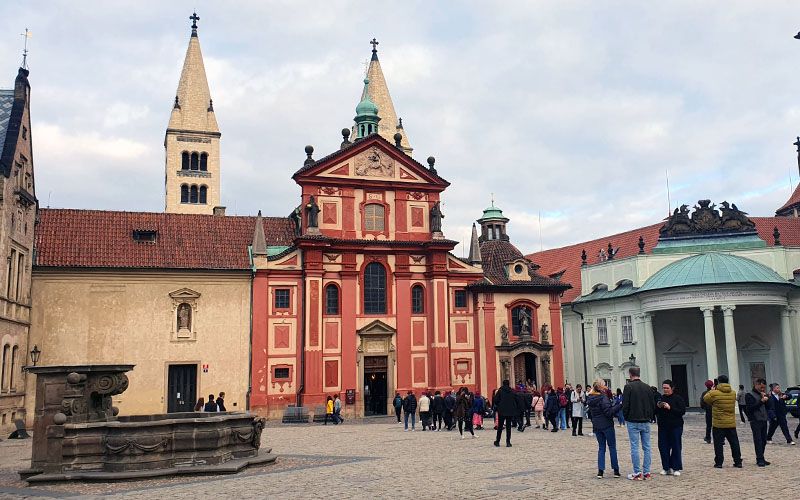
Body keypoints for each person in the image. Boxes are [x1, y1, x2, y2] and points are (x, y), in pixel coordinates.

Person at [622, 366, 655, 480]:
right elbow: (652, 404)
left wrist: (626, 416)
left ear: (630, 375)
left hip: (633, 420)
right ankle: (647, 472)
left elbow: (625, 404)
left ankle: (637, 472)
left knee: (634, 447)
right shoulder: (647, 387)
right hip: (646, 420)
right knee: (647, 447)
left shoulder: (628, 387)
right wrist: (650, 416)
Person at [703, 374, 742, 469]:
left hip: (718, 423)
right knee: (734, 443)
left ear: (718, 382)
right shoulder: (732, 393)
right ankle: (738, 461)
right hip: (730, 422)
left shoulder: (714, 393)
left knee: (718, 444)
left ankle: (719, 462)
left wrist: (712, 391)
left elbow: (706, 398)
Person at [587, 379, 621, 479]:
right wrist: (619, 406)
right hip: (607, 424)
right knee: (612, 447)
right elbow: (608, 412)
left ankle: (600, 471)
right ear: (601, 387)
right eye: (604, 385)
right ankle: (615, 470)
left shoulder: (591, 397)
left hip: (597, 425)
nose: (605, 387)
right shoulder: (603, 397)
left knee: (601, 448)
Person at [656, 379, 686, 476]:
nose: (665, 390)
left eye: (667, 388)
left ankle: (676, 467)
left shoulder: (678, 398)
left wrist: (670, 408)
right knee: (663, 447)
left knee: (676, 446)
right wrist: (658, 407)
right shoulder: (661, 398)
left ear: (672, 388)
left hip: (675, 426)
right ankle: (666, 467)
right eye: (664, 388)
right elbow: (655, 412)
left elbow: (681, 412)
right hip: (663, 426)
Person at [744, 378, 771, 467]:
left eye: (764, 387)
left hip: (763, 419)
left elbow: (768, 407)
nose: (762, 389)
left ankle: (762, 457)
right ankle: (759, 459)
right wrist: (761, 401)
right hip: (755, 420)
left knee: (763, 439)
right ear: (756, 385)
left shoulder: (763, 394)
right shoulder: (749, 395)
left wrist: (766, 399)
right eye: (761, 387)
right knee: (758, 439)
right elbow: (750, 408)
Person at [493, 380, 516, 447]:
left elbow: (495, 400)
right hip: (509, 411)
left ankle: (497, 441)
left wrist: (499, 405)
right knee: (508, 427)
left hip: (501, 411)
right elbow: (515, 400)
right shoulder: (512, 391)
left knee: (500, 426)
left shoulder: (500, 391)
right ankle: (508, 442)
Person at [700, 379, 714, 444]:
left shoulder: (704, 393)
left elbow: (702, 403)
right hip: (716, 410)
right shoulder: (715, 392)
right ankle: (721, 439)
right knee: (717, 425)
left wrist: (705, 408)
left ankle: (708, 438)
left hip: (708, 411)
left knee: (708, 425)